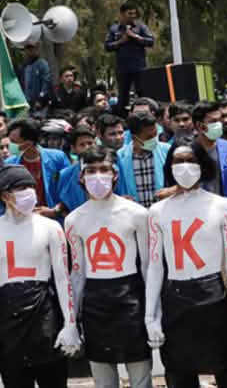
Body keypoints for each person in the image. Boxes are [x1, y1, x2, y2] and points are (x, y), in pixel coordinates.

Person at [145, 140, 227, 388]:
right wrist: (151, 315)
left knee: (225, 368)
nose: (185, 167)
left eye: (191, 160)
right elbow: (155, 265)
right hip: (175, 296)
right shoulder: (157, 211)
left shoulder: (221, 206)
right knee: (179, 372)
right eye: (179, 162)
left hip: (212, 294)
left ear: (203, 164)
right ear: (169, 166)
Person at [0, 165, 80, 388]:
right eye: (21, 188)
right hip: (8, 312)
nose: (28, 193)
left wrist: (70, 324)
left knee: (53, 380)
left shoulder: (51, 228)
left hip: (45, 312)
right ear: (4, 195)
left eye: (30, 187)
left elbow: (62, 278)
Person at [66, 147, 153, 388]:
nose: (98, 176)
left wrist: (154, 312)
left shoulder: (137, 214)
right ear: (81, 176)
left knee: (140, 372)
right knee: (103, 376)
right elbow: (77, 273)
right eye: (91, 171)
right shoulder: (74, 219)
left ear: (115, 174)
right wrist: (71, 320)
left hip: (131, 295)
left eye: (104, 170)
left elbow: (149, 266)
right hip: (95, 300)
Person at [5, 118, 71, 218]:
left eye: (14, 142)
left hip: (54, 217)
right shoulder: (10, 164)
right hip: (23, 219)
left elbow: (69, 189)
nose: (10, 146)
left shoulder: (58, 158)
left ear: (29, 142)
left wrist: (55, 210)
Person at [105, 2, 155, 114]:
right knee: (123, 96)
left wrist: (136, 37)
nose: (133, 16)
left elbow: (151, 41)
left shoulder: (141, 27)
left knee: (143, 94)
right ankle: (122, 119)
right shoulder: (114, 29)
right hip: (122, 69)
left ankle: (146, 116)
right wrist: (120, 42)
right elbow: (107, 46)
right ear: (122, 14)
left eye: (134, 13)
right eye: (130, 13)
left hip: (139, 68)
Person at [116, 112, 170, 207]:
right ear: (134, 137)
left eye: (155, 134)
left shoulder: (167, 151)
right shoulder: (119, 157)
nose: (154, 139)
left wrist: (171, 190)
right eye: (149, 137)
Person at [192, 101, 227, 202]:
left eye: (220, 120)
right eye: (214, 121)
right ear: (199, 126)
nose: (219, 124)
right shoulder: (188, 153)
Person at [20, 42, 52, 110]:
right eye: (27, 49)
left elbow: (46, 82)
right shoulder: (24, 66)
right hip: (27, 101)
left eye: (31, 49)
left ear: (36, 50)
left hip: (39, 102)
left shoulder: (42, 64)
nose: (29, 51)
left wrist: (40, 99)